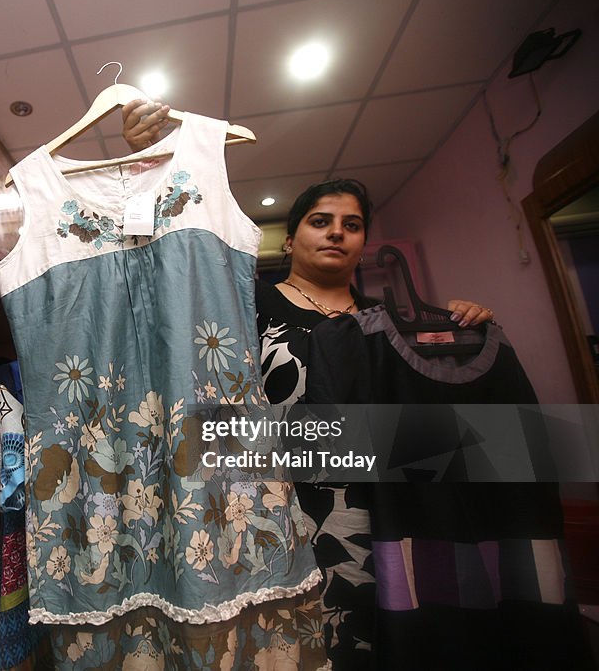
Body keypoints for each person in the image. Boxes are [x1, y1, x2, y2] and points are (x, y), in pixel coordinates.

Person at [122, 103, 496, 669]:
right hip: (280, 504)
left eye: (352, 225)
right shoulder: (248, 307)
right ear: (289, 239)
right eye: (321, 222)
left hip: (383, 507)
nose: (337, 233)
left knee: (382, 633)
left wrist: (458, 324)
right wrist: (144, 165)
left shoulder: (387, 326)